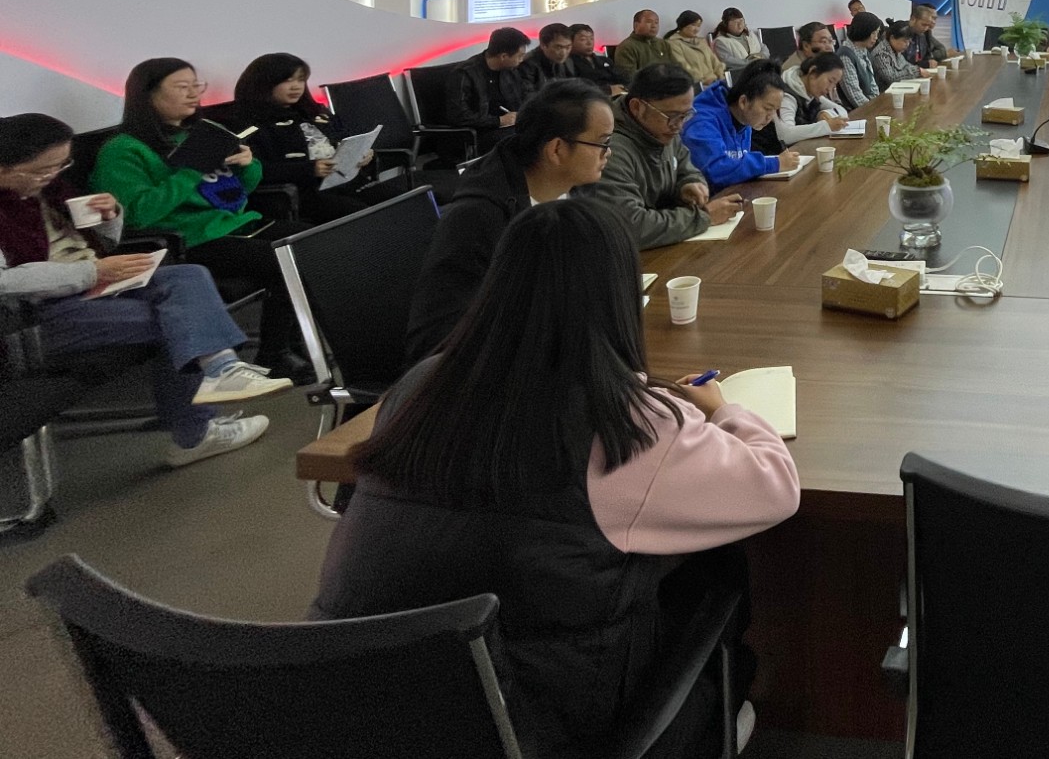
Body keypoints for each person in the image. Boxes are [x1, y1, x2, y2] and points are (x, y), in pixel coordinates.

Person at [315, 201, 799, 759]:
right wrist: (722, 410)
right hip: (520, 728)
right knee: (715, 569)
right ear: (620, 297)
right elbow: (774, 486)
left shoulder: (421, 384)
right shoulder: (625, 424)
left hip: (349, 704)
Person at [1, 113, 289, 467]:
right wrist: (92, 272)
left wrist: (110, 218)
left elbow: (100, 245)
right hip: (41, 314)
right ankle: (196, 431)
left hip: (95, 284)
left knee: (188, 276)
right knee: (181, 322)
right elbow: (5, 282)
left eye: (61, 166)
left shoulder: (49, 192)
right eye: (43, 170)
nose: (53, 176)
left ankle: (222, 369)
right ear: (4, 168)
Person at [92, 58, 312, 378]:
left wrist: (248, 165)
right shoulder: (123, 149)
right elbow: (137, 215)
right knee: (286, 259)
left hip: (231, 222)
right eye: (182, 87)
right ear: (148, 95)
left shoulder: (202, 132)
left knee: (313, 243)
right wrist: (190, 171)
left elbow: (240, 191)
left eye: (197, 86)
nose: (194, 94)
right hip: (187, 239)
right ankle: (275, 353)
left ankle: (294, 344)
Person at [405, 80, 614, 362]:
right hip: (492, 370)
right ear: (556, 150)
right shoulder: (478, 218)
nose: (608, 153)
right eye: (603, 143)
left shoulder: (577, 187)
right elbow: (439, 341)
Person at [579, 65, 745, 249]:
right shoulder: (610, 150)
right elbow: (630, 226)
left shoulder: (663, 129)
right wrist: (704, 217)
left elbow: (685, 166)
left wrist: (689, 184)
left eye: (685, 116)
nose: (679, 126)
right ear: (637, 107)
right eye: (672, 116)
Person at [232, 53, 375, 225]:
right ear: (264, 84)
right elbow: (257, 170)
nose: (296, 87)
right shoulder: (250, 124)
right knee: (363, 215)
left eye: (301, 80)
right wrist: (309, 169)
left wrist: (362, 153)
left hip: (345, 182)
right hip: (305, 194)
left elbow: (345, 137)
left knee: (391, 200)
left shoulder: (314, 112)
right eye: (287, 80)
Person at [682, 65, 801, 187]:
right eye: (767, 108)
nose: (770, 117)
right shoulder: (701, 122)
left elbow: (738, 164)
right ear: (743, 102)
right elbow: (716, 170)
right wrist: (774, 164)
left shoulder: (743, 116)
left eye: (775, 110)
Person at [446, 26, 531, 155]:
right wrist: (499, 121)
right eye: (520, 56)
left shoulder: (510, 71)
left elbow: (523, 96)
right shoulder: (464, 73)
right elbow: (459, 115)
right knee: (525, 141)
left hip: (507, 127)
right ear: (503, 56)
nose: (521, 60)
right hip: (479, 133)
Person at [777, 52, 850, 146]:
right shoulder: (787, 95)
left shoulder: (811, 92)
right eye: (830, 81)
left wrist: (825, 113)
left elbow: (841, 110)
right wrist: (826, 126)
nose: (829, 89)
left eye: (834, 84)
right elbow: (786, 135)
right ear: (813, 72)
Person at [663, 10, 728, 87]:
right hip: (695, 85)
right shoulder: (673, 43)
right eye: (693, 25)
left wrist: (720, 76)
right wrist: (702, 80)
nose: (696, 29)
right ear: (683, 25)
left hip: (715, 82)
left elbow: (714, 60)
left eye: (698, 26)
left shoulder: (701, 41)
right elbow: (682, 66)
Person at [837, 12, 883, 108]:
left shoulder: (863, 50)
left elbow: (872, 85)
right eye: (873, 33)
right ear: (863, 31)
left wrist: (878, 103)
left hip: (870, 106)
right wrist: (875, 109)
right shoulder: (845, 55)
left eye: (877, 33)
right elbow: (855, 96)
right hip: (856, 111)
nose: (876, 37)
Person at [613, 9, 674, 81]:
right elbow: (628, 76)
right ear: (636, 25)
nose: (654, 26)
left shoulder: (663, 44)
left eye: (656, 22)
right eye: (649, 22)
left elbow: (674, 67)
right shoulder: (626, 47)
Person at [566, 23, 626, 94]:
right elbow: (574, 89)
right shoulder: (567, 63)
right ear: (570, 42)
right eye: (583, 39)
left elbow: (622, 78)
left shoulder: (605, 60)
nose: (589, 43)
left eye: (591, 38)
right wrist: (608, 90)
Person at [520, 23, 578, 95]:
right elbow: (528, 96)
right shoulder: (527, 64)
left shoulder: (568, 60)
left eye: (568, 47)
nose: (564, 53)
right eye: (558, 47)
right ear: (543, 45)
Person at [710, 9, 767, 74]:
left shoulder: (750, 35)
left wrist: (762, 56)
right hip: (740, 74)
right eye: (735, 22)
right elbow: (728, 62)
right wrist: (752, 62)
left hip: (760, 70)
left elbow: (764, 48)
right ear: (726, 24)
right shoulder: (720, 42)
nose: (740, 25)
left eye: (741, 21)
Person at [870, 21, 921, 87]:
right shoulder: (881, 53)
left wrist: (918, 70)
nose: (907, 44)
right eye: (905, 41)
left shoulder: (896, 50)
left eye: (909, 41)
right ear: (892, 38)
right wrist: (917, 71)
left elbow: (906, 66)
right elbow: (891, 78)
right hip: (883, 91)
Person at [906, 4, 947, 68]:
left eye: (928, 25)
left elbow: (927, 55)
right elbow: (901, 64)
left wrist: (929, 60)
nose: (926, 28)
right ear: (913, 19)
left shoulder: (924, 33)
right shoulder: (902, 32)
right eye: (924, 25)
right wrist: (924, 64)